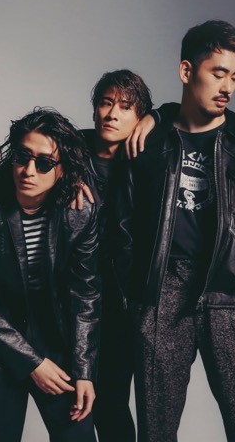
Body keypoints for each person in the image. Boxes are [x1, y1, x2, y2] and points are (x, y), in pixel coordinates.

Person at [116, 20, 235, 442]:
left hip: (230, 295)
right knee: (156, 431)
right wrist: (137, 289)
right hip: (161, 295)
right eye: (218, 73)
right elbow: (122, 223)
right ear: (187, 71)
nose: (228, 87)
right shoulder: (148, 141)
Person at [0, 108, 101, 442]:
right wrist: (32, 362)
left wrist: (84, 370)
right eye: (22, 157)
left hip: (56, 342)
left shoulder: (80, 211)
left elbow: (86, 294)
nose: (29, 171)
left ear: (63, 169)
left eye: (45, 163)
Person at [83, 69, 152, 442]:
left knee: (111, 403)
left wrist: (158, 117)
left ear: (140, 118)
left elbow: (188, 117)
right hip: (70, 299)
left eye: (125, 107)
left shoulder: (149, 160)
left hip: (122, 303)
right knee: (74, 407)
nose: (112, 114)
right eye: (106, 103)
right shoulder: (67, 150)